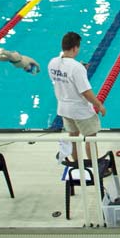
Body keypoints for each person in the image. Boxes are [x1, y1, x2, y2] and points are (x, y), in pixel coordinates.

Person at [48, 32, 105, 162]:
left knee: (73, 138)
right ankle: (94, 167)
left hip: (64, 109)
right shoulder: (77, 68)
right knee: (90, 139)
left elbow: (61, 79)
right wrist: (99, 105)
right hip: (80, 111)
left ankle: (78, 165)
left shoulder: (53, 62)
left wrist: (80, 70)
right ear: (75, 48)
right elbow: (86, 92)